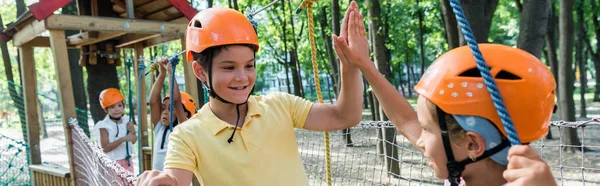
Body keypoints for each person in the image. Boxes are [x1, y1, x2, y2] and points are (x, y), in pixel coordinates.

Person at [136, 2, 364, 186]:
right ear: (200, 72)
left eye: (249, 65)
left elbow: (345, 116)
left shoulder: (280, 105)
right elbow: (176, 178)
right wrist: (167, 181)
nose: (242, 77)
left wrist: (351, 66)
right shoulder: (187, 135)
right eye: (228, 67)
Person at [333, 6, 558, 185]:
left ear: (472, 145)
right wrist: (364, 64)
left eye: (427, 130)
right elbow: (405, 121)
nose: (420, 139)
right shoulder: (461, 168)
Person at [149, 59, 197, 171]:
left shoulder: (183, 127)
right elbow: (153, 102)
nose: (164, 112)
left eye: (170, 109)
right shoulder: (159, 127)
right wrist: (162, 74)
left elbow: (176, 102)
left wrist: (171, 73)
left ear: (185, 113)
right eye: (163, 108)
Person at [94, 88, 137, 173]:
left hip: (127, 161)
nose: (117, 109)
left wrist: (132, 132)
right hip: (112, 163)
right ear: (106, 109)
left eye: (119, 105)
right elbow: (105, 148)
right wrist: (123, 139)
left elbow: (134, 140)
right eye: (112, 107)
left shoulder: (127, 120)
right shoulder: (104, 126)